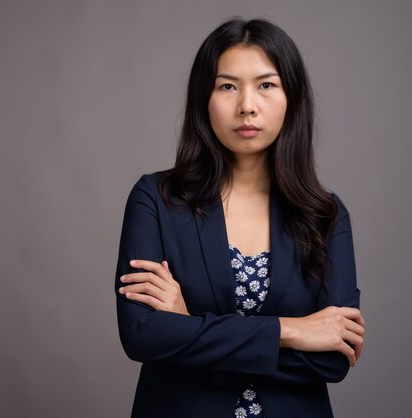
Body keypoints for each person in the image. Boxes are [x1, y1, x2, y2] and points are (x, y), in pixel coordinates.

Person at [114, 18, 364, 418]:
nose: (247, 105)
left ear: (291, 97)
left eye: (266, 85)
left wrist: (190, 327)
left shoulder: (326, 215)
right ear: (204, 98)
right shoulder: (157, 199)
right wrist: (291, 331)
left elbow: (333, 360)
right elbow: (143, 335)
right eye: (227, 86)